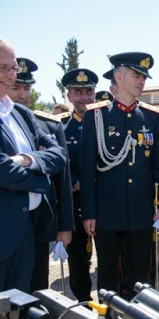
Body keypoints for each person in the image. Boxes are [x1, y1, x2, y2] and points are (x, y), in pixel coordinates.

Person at [0, 33, 63, 319]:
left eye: (13, 66)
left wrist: (27, 162)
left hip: (26, 233)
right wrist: (35, 171)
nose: (10, 74)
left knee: (12, 317)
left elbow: (57, 154)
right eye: (1, 67)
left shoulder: (19, 112)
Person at [79, 52, 159, 301]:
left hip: (141, 212)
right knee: (108, 273)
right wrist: (89, 212)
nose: (142, 81)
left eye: (144, 77)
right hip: (107, 213)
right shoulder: (96, 116)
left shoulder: (151, 117)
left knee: (140, 273)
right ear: (118, 77)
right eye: (136, 75)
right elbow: (87, 170)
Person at [9, 58, 74, 319]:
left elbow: (62, 179)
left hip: (38, 224)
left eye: (26, 88)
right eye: (17, 86)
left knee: (37, 290)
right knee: (8, 294)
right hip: (5, 226)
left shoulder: (46, 124)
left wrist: (65, 227)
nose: (21, 94)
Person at [61, 68, 99, 305]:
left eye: (89, 91)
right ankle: (83, 301)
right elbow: (59, 163)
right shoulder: (62, 128)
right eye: (78, 92)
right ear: (69, 95)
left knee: (109, 258)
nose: (84, 97)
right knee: (79, 259)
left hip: (104, 202)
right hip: (76, 206)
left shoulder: (106, 121)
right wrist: (74, 180)